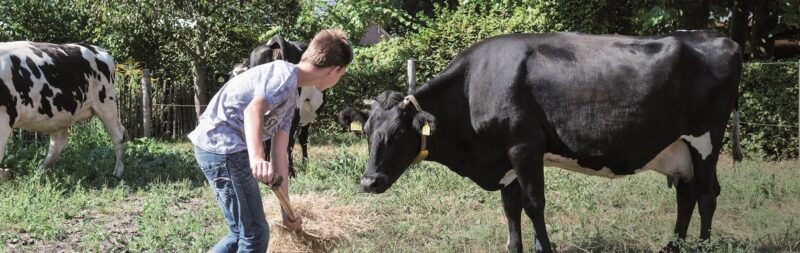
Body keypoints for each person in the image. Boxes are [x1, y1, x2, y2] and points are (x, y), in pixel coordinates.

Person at [188, 29, 352, 253]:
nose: (338, 80)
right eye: (341, 76)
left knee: (241, 233)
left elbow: (279, 153)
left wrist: (286, 209)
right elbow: (253, 110)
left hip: (218, 147)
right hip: (223, 147)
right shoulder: (283, 75)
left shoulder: (292, 92)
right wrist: (256, 158)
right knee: (255, 235)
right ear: (335, 70)